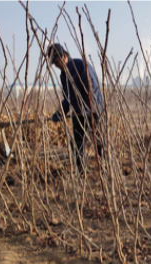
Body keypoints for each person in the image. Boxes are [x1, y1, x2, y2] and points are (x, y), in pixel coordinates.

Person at [47, 43, 103, 174]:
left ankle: (104, 169)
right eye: (54, 64)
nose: (56, 66)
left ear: (64, 56)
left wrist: (86, 108)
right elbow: (68, 99)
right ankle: (81, 173)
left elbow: (91, 89)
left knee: (98, 142)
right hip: (78, 114)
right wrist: (60, 112)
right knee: (77, 146)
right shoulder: (63, 76)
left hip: (92, 111)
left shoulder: (80, 65)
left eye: (57, 62)